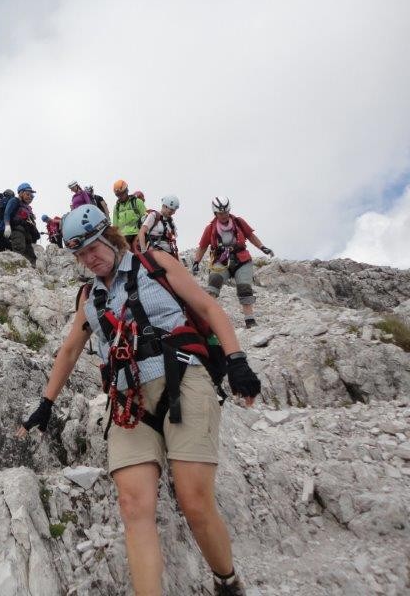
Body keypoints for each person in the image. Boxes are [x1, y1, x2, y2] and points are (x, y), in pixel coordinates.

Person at [16, 204, 260, 596]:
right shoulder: (89, 297)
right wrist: (45, 405)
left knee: (194, 500)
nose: (89, 259)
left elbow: (207, 307)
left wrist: (237, 361)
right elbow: (69, 351)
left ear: (111, 238)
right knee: (133, 505)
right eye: (81, 254)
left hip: (183, 380)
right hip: (128, 400)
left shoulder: (155, 263)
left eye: (94, 248)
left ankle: (227, 581)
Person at [192, 197, 274, 329]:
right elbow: (202, 246)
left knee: (244, 287)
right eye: (220, 213)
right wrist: (196, 261)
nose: (224, 215)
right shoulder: (210, 228)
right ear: (215, 213)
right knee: (214, 281)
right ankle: (207, 318)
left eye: (226, 212)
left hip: (242, 260)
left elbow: (250, 236)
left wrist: (262, 247)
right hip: (221, 260)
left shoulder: (239, 222)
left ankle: (250, 320)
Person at [3, 183, 40, 267]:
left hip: (27, 233)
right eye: (28, 194)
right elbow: (7, 213)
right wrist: (7, 225)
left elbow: (31, 221)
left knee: (31, 255)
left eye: (32, 196)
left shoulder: (27, 208)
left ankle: (31, 271)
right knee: (19, 249)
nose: (30, 197)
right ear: (20, 193)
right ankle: (16, 268)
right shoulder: (14, 201)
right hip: (17, 230)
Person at [111, 180, 147, 247]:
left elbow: (146, 219)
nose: (120, 196)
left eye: (122, 193)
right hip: (123, 236)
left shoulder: (137, 202)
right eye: (118, 195)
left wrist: (142, 233)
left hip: (136, 234)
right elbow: (115, 226)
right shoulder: (116, 207)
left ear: (126, 191)